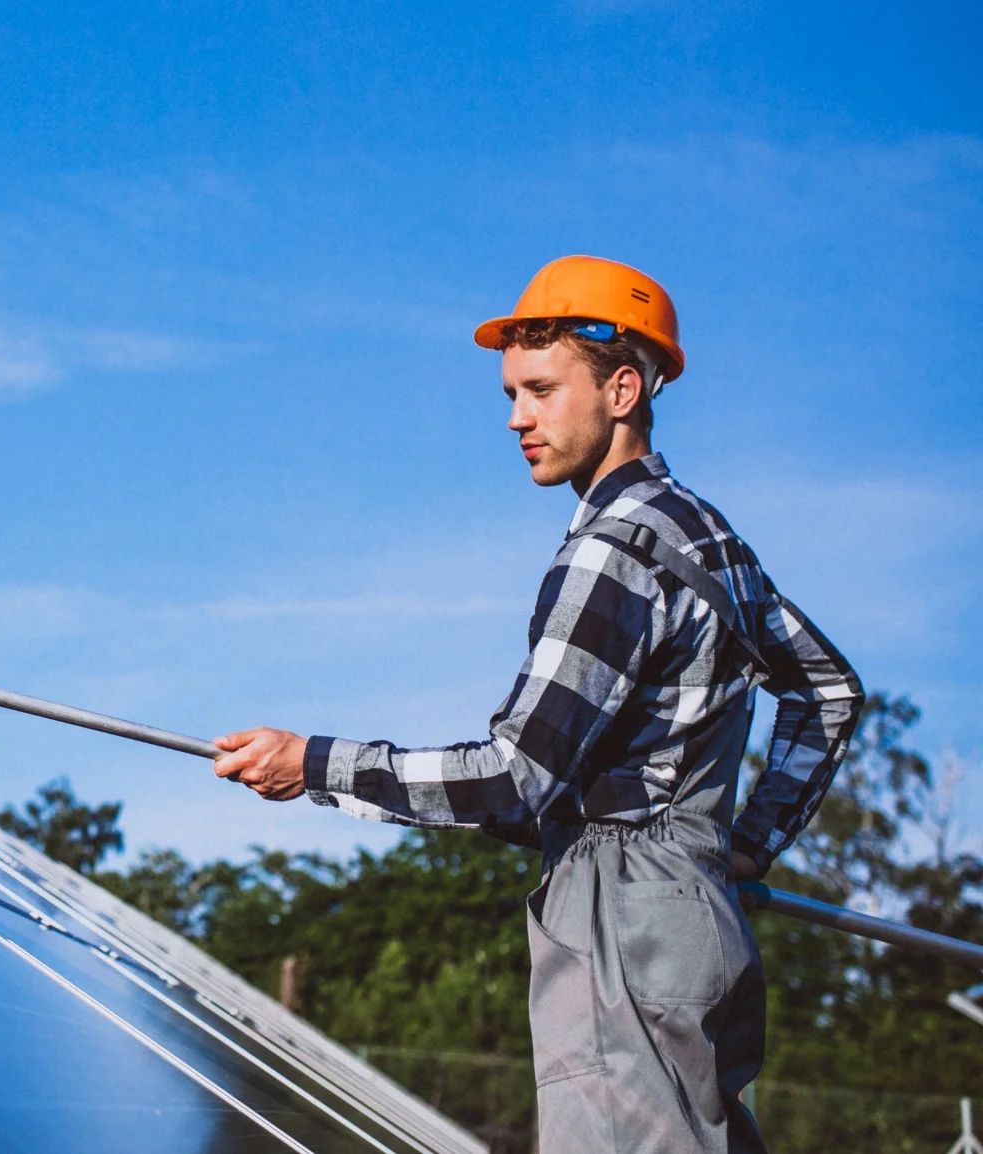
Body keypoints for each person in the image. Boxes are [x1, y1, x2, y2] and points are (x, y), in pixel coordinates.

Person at [211, 255, 863, 1153]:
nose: (517, 418)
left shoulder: (610, 550)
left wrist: (312, 764)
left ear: (624, 386)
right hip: (695, 914)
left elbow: (515, 777)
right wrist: (742, 846)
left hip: (622, 922)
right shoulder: (709, 540)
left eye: (543, 390)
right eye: (512, 393)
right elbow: (827, 691)